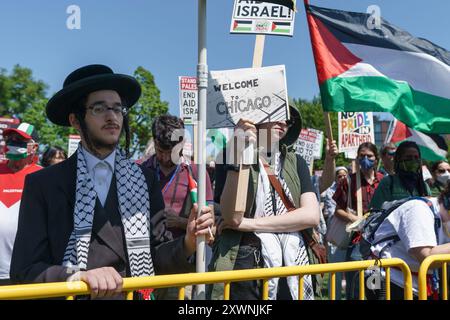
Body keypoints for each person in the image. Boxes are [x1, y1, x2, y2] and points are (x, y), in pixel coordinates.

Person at [10, 65, 213, 299]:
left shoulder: (144, 181)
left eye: (118, 109)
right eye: (99, 108)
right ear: (75, 120)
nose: (112, 117)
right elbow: (25, 270)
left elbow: (156, 259)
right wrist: (77, 277)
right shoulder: (43, 184)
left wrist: (188, 241)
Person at [208, 106, 320, 300]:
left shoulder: (296, 161)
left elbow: (311, 216)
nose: (283, 122)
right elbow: (233, 217)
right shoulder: (229, 154)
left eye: (288, 119)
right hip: (245, 264)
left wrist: (250, 224)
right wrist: (240, 153)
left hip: (294, 263)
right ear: (257, 119)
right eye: (277, 115)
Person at [142, 114, 214, 299]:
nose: (166, 157)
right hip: (143, 264)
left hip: (181, 263)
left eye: (172, 151)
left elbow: (211, 226)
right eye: (160, 151)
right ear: (154, 142)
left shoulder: (197, 172)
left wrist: (180, 222)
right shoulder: (138, 170)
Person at [366, 182, 450, 300]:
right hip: (382, 279)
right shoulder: (418, 209)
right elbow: (427, 257)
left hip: (410, 282)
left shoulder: (443, 218)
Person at [332, 142, 384, 299]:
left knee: (373, 287)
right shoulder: (349, 181)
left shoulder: (384, 181)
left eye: (369, 156)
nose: (366, 159)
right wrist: (356, 220)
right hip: (357, 241)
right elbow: (338, 211)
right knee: (355, 286)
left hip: (377, 243)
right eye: (362, 156)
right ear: (357, 158)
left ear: (376, 159)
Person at [0, 123, 42, 285]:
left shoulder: (43, 176)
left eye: (20, 140)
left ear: (34, 147)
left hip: (24, 271)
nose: (13, 143)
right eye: (10, 139)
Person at [370, 141, 431, 210]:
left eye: (416, 157)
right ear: (399, 159)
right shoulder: (388, 183)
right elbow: (375, 210)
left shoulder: (424, 186)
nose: (413, 160)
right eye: (409, 157)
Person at [322, 166, 348, 300]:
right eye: (339, 176)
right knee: (335, 273)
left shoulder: (352, 190)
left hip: (350, 237)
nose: (342, 178)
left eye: (345, 175)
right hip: (335, 237)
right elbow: (334, 213)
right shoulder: (329, 193)